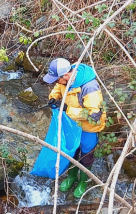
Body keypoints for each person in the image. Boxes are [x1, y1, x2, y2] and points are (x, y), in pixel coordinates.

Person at [43, 58, 106, 198]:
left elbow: (94, 115)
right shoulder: (65, 80)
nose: (55, 82)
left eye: (56, 79)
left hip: (89, 128)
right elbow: (58, 88)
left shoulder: (90, 87)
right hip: (72, 125)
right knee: (72, 152)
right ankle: (72, 177)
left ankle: (83, 181)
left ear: (65, 76)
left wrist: (67, 109)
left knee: (86, 156)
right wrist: (53, 97)